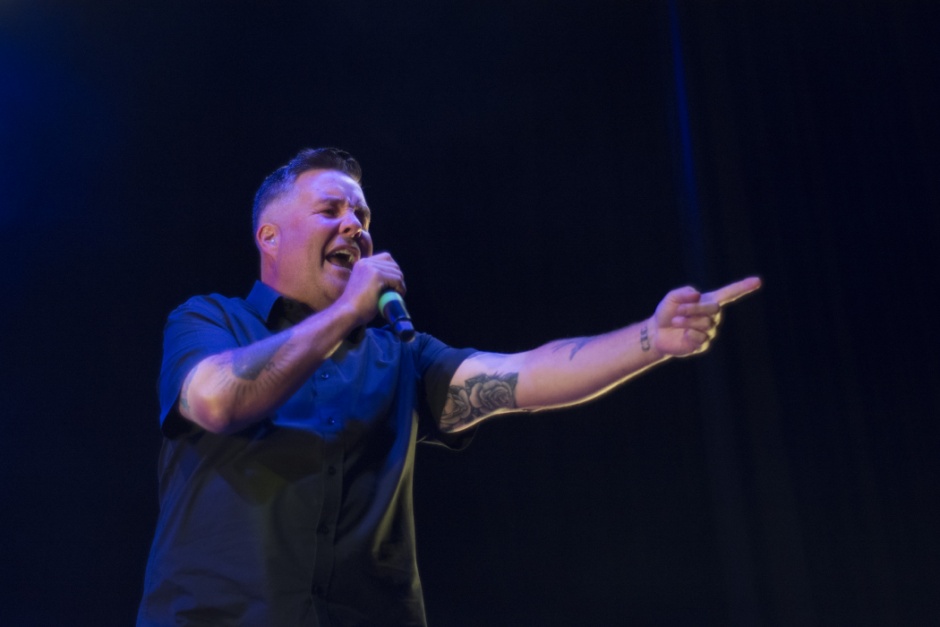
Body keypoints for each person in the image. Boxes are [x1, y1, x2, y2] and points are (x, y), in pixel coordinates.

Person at [136, 147, 761, 626]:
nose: (355, 227)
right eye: (331, 211)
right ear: (268, 235)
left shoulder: (400, 354)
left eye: (362, 216)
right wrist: (348, 312)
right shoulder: (209, 320)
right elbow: (217, 399)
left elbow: (527, 374)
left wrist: (650, 338)